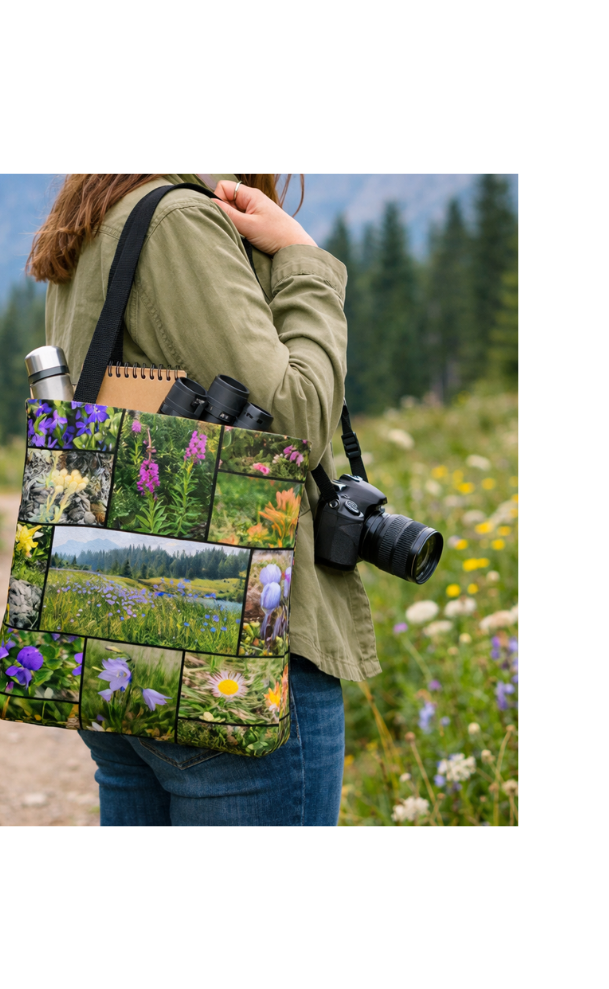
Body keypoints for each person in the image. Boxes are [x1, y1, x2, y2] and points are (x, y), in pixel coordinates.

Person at [27, 173, 380, 826]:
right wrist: (304, 264)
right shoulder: (180, 222)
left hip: (114, 644)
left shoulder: (97, 211)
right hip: (238, 650)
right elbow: (295, 421)